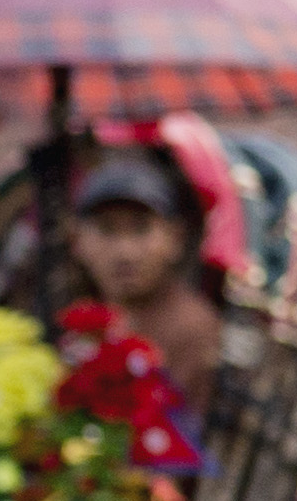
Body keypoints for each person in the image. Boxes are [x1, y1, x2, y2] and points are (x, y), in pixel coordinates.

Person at [63, 147, 225, 427]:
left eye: (141, 229)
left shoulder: (191, 326)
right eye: (107, 230)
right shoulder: (82, 319)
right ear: (77, 241)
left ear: (175, 239)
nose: (125, 252)